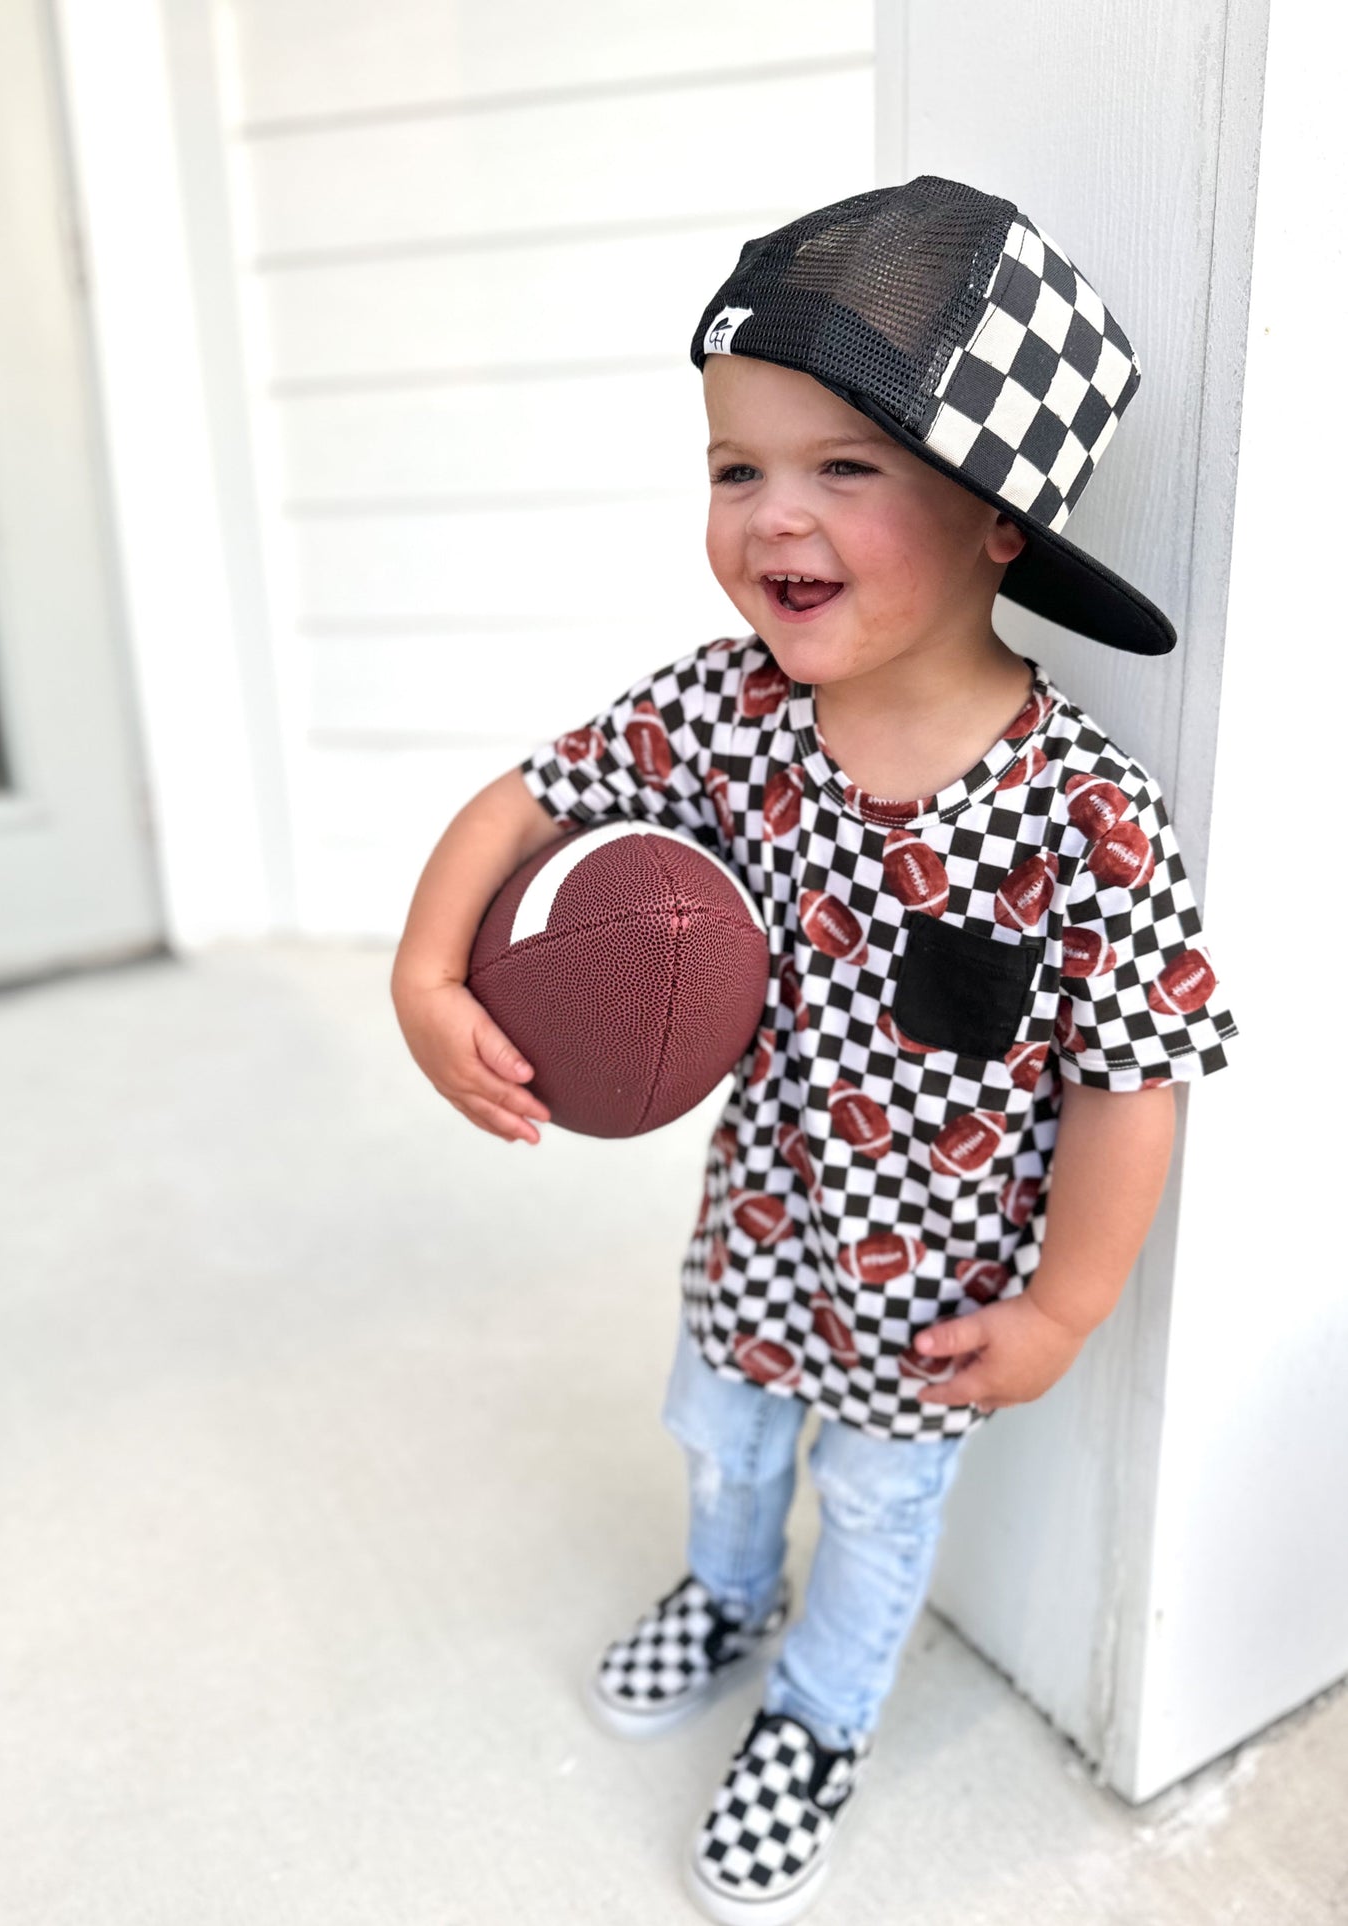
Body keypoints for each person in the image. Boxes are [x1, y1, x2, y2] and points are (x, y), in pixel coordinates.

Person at [390, 175, 1239, 1924]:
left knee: (869, 1517)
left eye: (844, 467)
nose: (772, 515)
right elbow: (532, 791)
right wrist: (426, 968)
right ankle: (714, 1591)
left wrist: (1068, 1304)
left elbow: (1128, 1074)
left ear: (998, 516)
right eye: (733, 466)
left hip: (930, 1298)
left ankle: (816, 1715)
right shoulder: (727, 711)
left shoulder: (1083, 818)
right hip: (753, 1232)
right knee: (722, 1438)